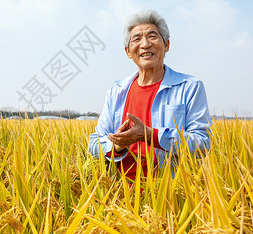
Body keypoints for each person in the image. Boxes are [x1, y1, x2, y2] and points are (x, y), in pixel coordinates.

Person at [89, 10, 212, 179]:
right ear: (128, 52)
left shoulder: (189, 87)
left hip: (170, 193)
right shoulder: (116, 92)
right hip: (121, 195)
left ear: (167, 45)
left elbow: (203, 143)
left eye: (152, 36)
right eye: (137, 39)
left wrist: (151, 135)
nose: (145, 44)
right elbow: (94, 144)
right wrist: (117, 145)